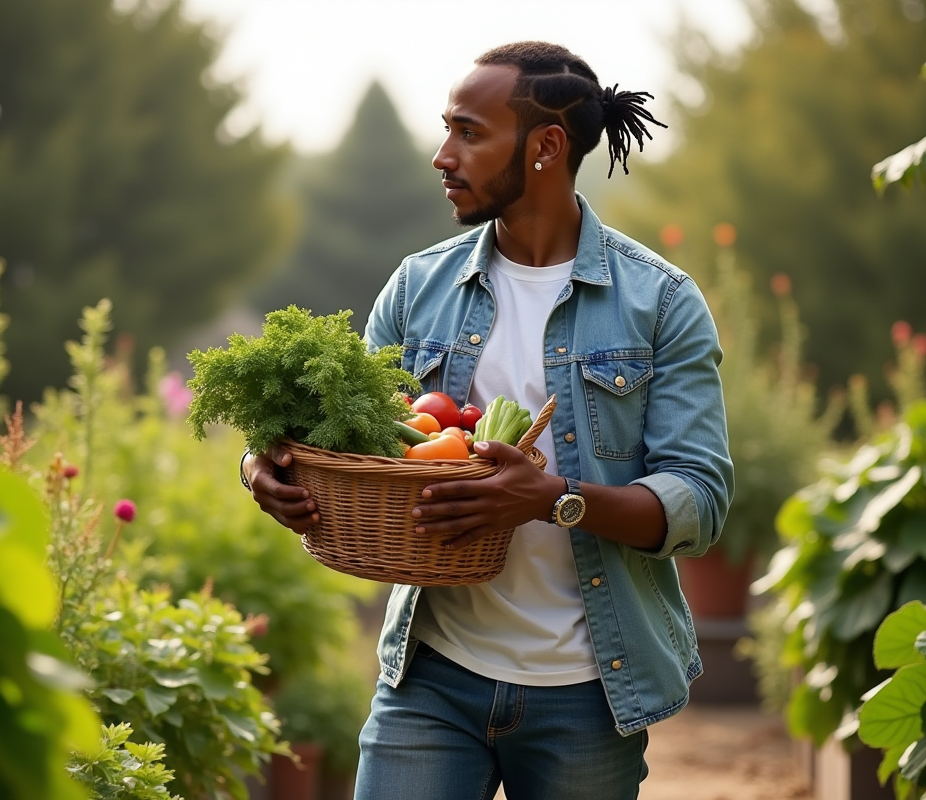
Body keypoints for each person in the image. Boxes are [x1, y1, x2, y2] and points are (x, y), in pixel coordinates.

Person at [242, 41, 733, 800]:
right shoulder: (418, 288)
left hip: (590, 693)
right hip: (434, 678)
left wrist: (550, 499)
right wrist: (263, 469)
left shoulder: (661, 302)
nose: (443, 155)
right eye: (447, 130)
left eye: (470, 132)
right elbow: (328, 434)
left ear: (545, 147)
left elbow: (698, 503)